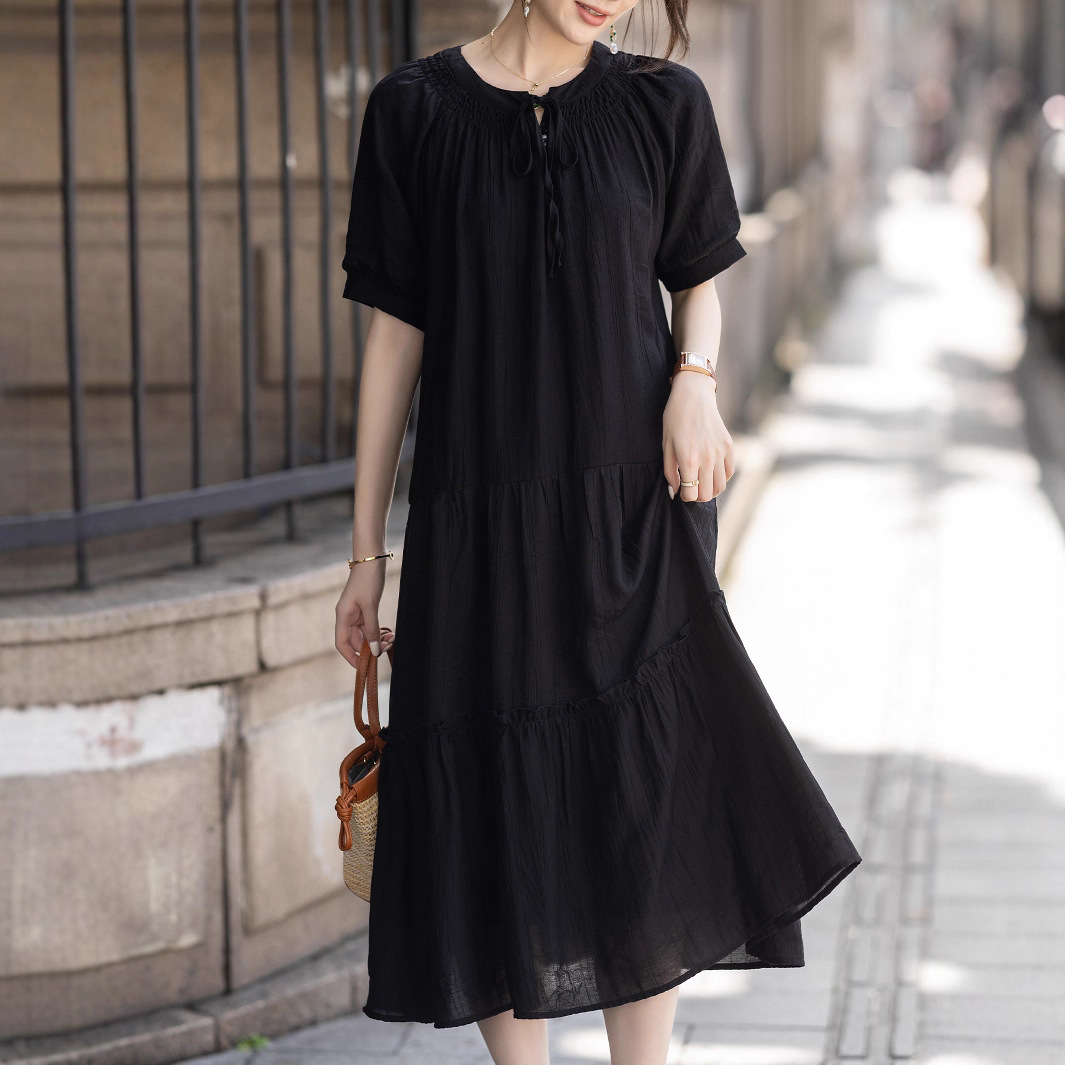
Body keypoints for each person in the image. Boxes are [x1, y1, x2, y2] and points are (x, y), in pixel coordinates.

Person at [334, 2, 863, 1062]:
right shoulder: (412, 111)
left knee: (641, 796)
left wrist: (694, 381)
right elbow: (396, 339)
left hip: (632, 513)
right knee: (490, 799)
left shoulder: (664, 104)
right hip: (478, 523)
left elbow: (697, 280)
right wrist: (364, 558)